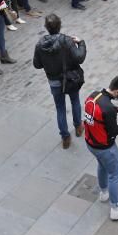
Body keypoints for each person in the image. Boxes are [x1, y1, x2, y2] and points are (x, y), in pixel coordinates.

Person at [83, 75, 118, 221]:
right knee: (115, 174)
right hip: (105, 148)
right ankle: (116, 208)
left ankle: (104, 192)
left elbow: (103, 110)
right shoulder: (107, 109)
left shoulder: (94, 96)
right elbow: (114, 130)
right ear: (117, 92)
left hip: (91, 143)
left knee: (102, 166)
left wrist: (116, 109)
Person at [33, 14, 86, 149]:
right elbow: (79, 57)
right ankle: (78, 127)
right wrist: (81, 43)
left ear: (46, 27)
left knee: (60, 108)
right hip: (70, 79)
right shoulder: (67, 41)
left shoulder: (40, 45)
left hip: (54, 81)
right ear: (60, 25)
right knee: (75, 101)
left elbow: (37, 65)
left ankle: (65, 137)